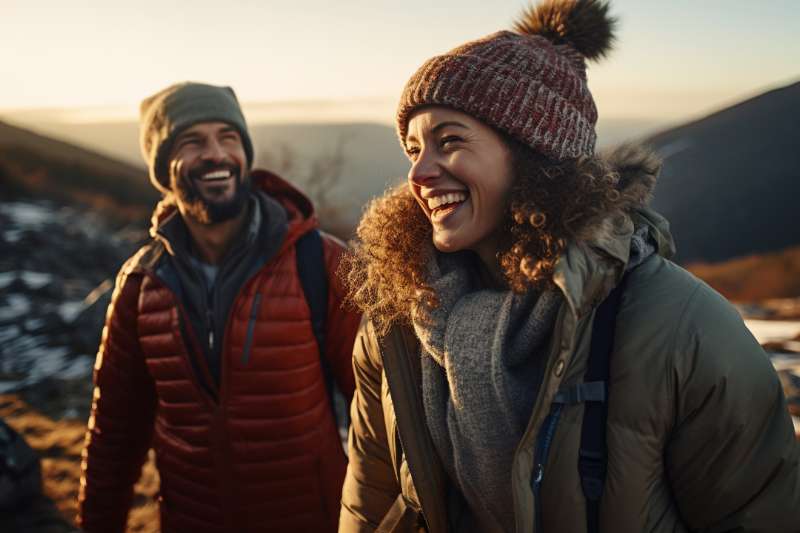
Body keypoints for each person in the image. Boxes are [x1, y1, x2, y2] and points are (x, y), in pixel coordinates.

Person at [339, 1, 800, 532]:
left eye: (450, 142)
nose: (419, 172)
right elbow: (369, 504)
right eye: (413, 148)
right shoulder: (394, 323)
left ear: (535, 157)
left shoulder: (683, 330)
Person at [78, 82, 360, 532]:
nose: (216, 154)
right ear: (162, 166)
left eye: (228, 137)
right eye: (192, 142)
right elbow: (114, 433)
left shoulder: (320, 262)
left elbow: (382, 413)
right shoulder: (141, 284)